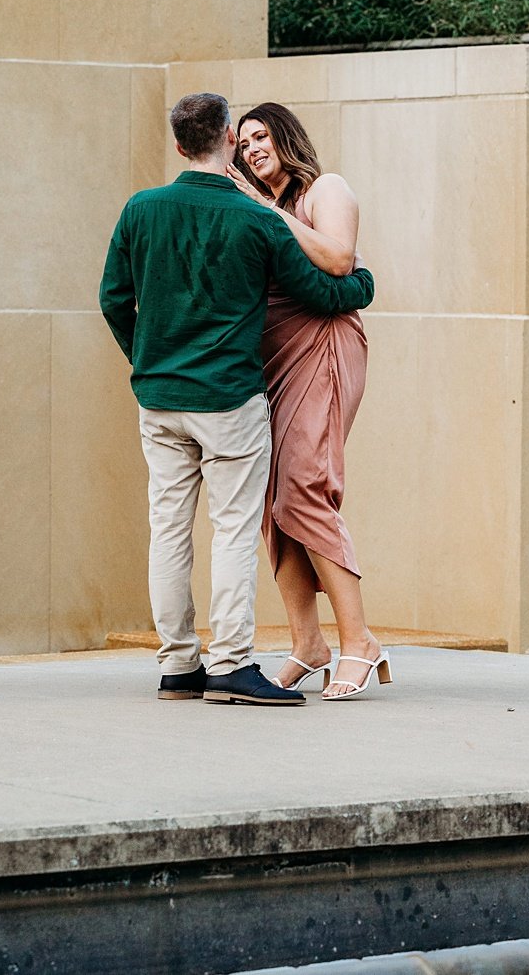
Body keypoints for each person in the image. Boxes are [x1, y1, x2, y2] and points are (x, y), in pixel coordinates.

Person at [100, 92, 375, 708]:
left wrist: (146, 360)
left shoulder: (140, 209)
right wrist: (364, 283)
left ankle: (178, 667)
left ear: (178, 145)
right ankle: (229, 664)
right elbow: (321, 290)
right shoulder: (252, 217)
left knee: (167, 531)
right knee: (231, 530)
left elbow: (113, 300)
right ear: (227, 137)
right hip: (229, 399)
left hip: (159, 400)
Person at [227, 102, 388, 701]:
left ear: (285, 137)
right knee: (272, 500)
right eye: (243, 144)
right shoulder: (252, 204)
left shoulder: (325, 190)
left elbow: (339, 260)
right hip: (270, 354)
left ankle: (359, 641)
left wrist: (264, 209)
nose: (251, 149)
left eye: (261, 136)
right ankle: (308, 645)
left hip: (322, 344)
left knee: (305, 484)